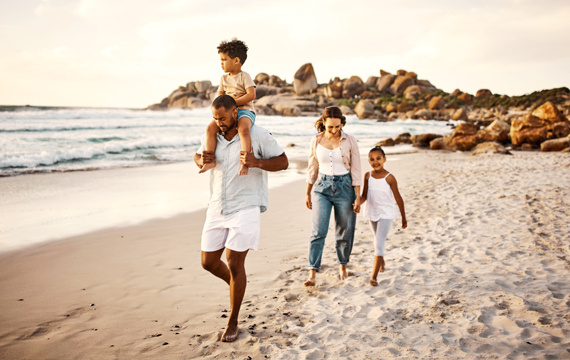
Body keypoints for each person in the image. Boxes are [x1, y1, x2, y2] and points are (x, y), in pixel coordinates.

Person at [194, 95, 288, 342]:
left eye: (223, 118)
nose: (219, 123)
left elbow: (283, 161)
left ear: (235, 112)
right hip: (217, 206)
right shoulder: (212, 134)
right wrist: (200, 159)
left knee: (234, 262)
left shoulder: (257, 134)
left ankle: (233, 321)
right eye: (215, 118)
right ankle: (237, 285)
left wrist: (257, 162)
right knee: (208, 262)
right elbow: (197, 156)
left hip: (246, 206)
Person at [304, 106, 362, 287]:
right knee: (318, 231)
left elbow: (356, 169)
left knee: (345, 230)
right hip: (321, 188)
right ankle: (312, 271)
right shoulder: (315, 140)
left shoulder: (350, 140)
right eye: (331, 127)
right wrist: (307, 191)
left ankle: (343, 265)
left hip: (345, 187)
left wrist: (358, 195)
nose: (335, 130)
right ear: (323, 123)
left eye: (338, 127)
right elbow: (312, 167)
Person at [200, 38, 256, 176]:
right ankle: (210, 160)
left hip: (244, 111)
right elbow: (220, 99)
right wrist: (226, 105)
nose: (221, 63)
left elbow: (251, 95)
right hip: (228, 113)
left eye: (224, 60)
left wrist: (232, 103)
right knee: (210, 128)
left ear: (236, 60)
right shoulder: (223, 79)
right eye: (221, 60)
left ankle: (245, 163)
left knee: (243, 129)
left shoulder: (244, 76)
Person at [359, 146, 407, 286]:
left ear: (384, 159)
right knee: (376, 240)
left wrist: (403, 217)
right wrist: (357, 204)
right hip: (372, 211)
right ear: (368, 161)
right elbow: (364, 196)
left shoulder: (389, 178)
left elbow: (398, 198)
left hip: (386, 212)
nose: (375, 162)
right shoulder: (367, 175)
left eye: (378, 159)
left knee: (378, 244)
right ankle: (381, 259)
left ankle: (373, 277)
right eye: (372, 159)